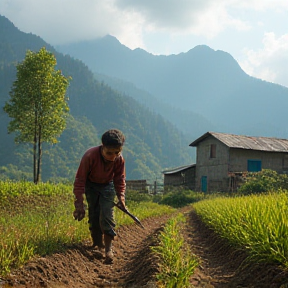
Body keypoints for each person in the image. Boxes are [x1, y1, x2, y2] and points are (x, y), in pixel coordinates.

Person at [73, 128, 126, 264]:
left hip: (107, 186)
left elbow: (119, 179)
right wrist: (79, 203)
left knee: (107, 216)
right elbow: (80, 180)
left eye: (117, 152)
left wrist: (121, 198)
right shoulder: (89, 156)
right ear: (102, 147)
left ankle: (108, 249)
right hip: (91, 185)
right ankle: (97, 243)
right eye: (109, 153)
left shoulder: (119, 160)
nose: (113, 156)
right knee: (94, 214)